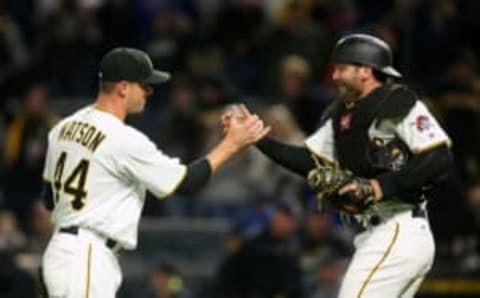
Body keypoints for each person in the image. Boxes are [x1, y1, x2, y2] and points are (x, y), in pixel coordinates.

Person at [224, 34, 453, 297]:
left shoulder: (396, 102)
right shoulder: (340, 114)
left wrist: (379, 186)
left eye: (342, 68)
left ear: (365, 71)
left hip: (399, 228)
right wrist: (258, 139)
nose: (334, 76)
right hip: (376, 232)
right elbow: (310, 161)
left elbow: (438, 157)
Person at [40, 47, 269, 298]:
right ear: (123, 87)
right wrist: (231, 145)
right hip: (87, 256)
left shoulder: (63, 127)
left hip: (60, 252)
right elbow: (186, 183)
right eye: (144, 85)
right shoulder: (122, 139)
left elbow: (48, 199)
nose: (149, 91)